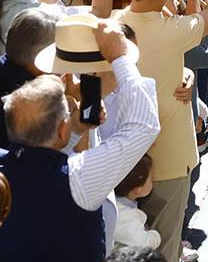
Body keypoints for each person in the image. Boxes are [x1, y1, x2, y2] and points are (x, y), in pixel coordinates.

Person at [0, 16, 158, 261]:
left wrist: (76, 127)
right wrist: (120, 57)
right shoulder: (77, 178)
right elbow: (143, 127)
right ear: (61, 130)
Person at [115, 0, 208, 262]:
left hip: (121, 161)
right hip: (170, 161)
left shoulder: (111, 25)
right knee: (164, 250)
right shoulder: (173, 31)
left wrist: (185, 74)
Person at [113, 154, 160, 250]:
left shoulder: (116, 205)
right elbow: (143, 243)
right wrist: (155, 236)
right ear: (138, 189)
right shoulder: (124, 215)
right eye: (151, 179)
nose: (153, 181)